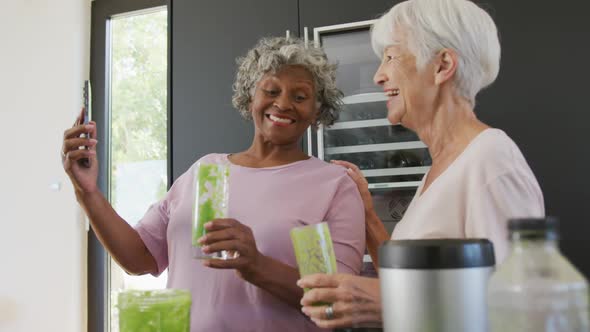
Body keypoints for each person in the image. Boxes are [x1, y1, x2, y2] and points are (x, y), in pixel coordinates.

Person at [62, 37, 366, 331]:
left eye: (300, 97)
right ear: (250, 99)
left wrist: (256, 265)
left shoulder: (332, 186)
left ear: (316, 112)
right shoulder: (205, 170)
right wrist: (87, 192)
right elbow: (139, 258)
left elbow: (335, 302)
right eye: (271, 91)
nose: (283, 103)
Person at [298, 0, 545, 329]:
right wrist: (369, 217)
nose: (378, 76)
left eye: (391, 57)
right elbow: (413, 277)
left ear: (442, 65)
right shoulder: (443, 166)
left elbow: (522, 314)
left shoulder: (491, 159)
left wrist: (392, 305)